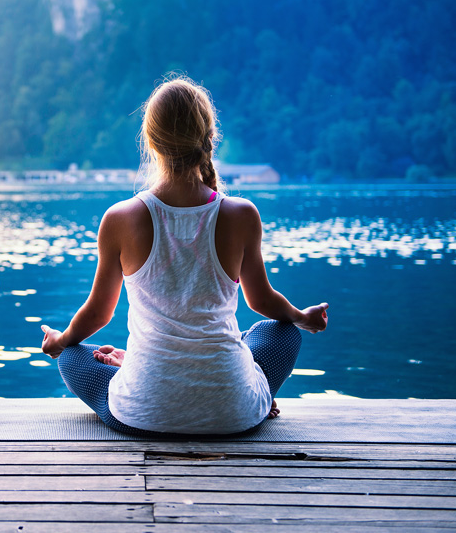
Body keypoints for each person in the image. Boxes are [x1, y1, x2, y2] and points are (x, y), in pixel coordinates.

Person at [41, 78, 328, 436]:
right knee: (282, 332)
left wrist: (60, 339)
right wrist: (301, 317)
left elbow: (99, 314)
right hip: (233, 415)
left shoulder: (120, 219)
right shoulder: (242, 215)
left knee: (72, 354)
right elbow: (262, 301)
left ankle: (136, 371)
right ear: (210, 138)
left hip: (143, 414)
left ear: (150, 142)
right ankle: (253, 397)